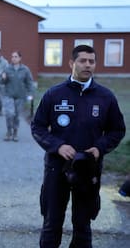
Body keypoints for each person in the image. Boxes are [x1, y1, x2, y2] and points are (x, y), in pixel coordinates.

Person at [31, 44, 126, 248]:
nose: (88, 65)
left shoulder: (105, 97)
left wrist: (100, 148)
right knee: (51, 222)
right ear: (71, 63)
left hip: (88, 170)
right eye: (83, 61)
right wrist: (57, 146)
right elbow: (38, 126)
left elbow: (117, 130)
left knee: (83, 225)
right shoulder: (54, 94)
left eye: (91, 61)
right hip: (57, 168)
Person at [0, 51, 34, 141]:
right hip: (8, 95)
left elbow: (29, 82)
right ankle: (8, 131)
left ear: (20, 58)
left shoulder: (25, 69)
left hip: (20, 96)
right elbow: (1, 81)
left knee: (16, 115)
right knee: (9, 114)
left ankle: (15, 132)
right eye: (12, 56)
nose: (13, 58)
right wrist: (3, 78)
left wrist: (31, 94)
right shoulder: (7, 68)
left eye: (16, 57)